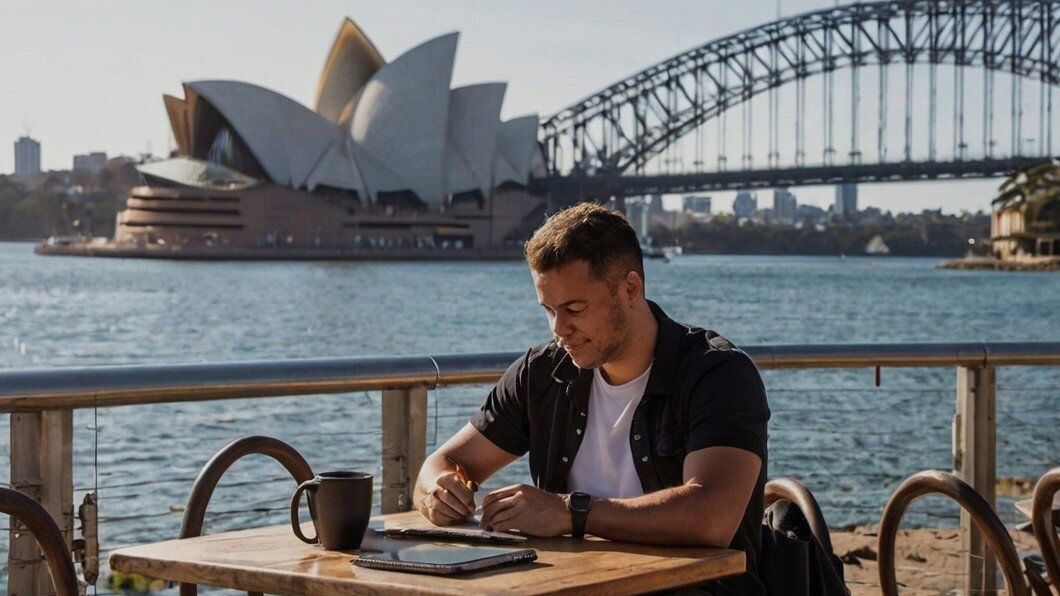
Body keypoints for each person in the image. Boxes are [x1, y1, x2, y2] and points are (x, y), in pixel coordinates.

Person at [412, 202, 771, 593]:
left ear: (630, 289)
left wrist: (571, 513)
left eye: (575, 308)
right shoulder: (542, 373)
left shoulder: (718, 374)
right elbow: (441, 465)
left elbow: (711, 518)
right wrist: (438, 492)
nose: (559, 328)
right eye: (548, 310)